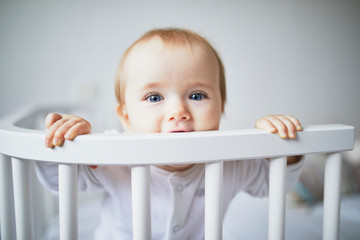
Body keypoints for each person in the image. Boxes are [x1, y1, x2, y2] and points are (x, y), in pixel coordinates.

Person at [36, 28, 304, 239]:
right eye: (154, 97)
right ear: (126, 117)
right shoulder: (112, 153)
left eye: (197, 95)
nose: (178, 111)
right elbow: (61, 181)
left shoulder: (230, 162)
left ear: (221, 107)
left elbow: (274, 183)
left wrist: (280, 144)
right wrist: (64, 141)